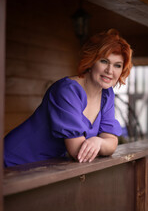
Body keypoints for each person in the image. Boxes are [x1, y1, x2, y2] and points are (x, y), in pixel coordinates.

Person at [4, 29, 133, 167]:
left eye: (117, 65)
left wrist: (99, 142)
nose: (110, 71)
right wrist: (102, 143)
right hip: (13, 160)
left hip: (43, 165)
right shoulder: (66, 91)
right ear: (91, 61)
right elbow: (78, 152)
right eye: (104, 61)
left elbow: (111, 141)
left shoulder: (107, 95)